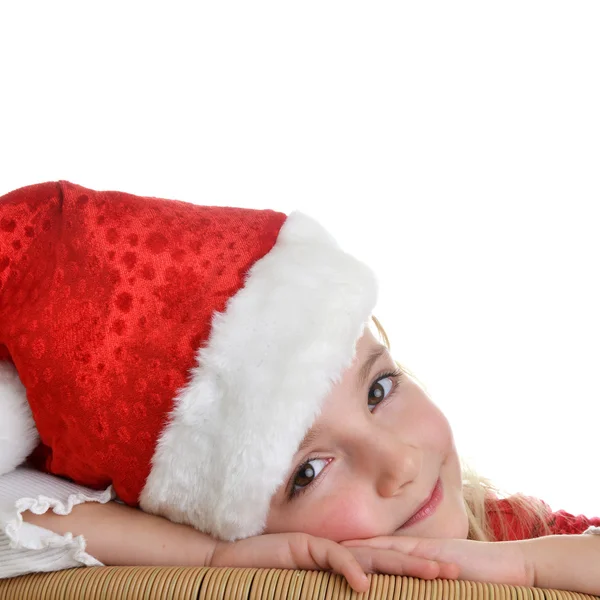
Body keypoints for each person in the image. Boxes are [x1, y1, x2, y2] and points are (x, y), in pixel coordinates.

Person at [0, 182, 598, 594]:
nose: (401, 461)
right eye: (307, 471)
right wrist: (211, 557)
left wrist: (524, 564)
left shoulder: (510, 532)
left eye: (379, 389)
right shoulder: (224, 560)